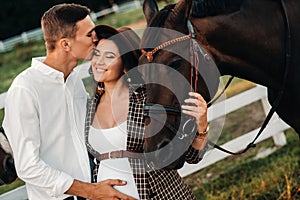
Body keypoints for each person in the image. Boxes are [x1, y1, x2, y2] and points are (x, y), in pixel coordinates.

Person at [3, 4, 135, 200]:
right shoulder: (25, 88)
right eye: (89, 34)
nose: (95, 38)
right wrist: (90, 191)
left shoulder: (74, 81)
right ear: (66, 44)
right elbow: (28, 166)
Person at [85, 25, 209, 199]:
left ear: (125, 66)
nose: (99, 62)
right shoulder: (88, 106)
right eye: (97, 54)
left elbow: (190, 156)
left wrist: (202, 125)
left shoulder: (148, 100)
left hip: (160, 194)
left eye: (110, 56)